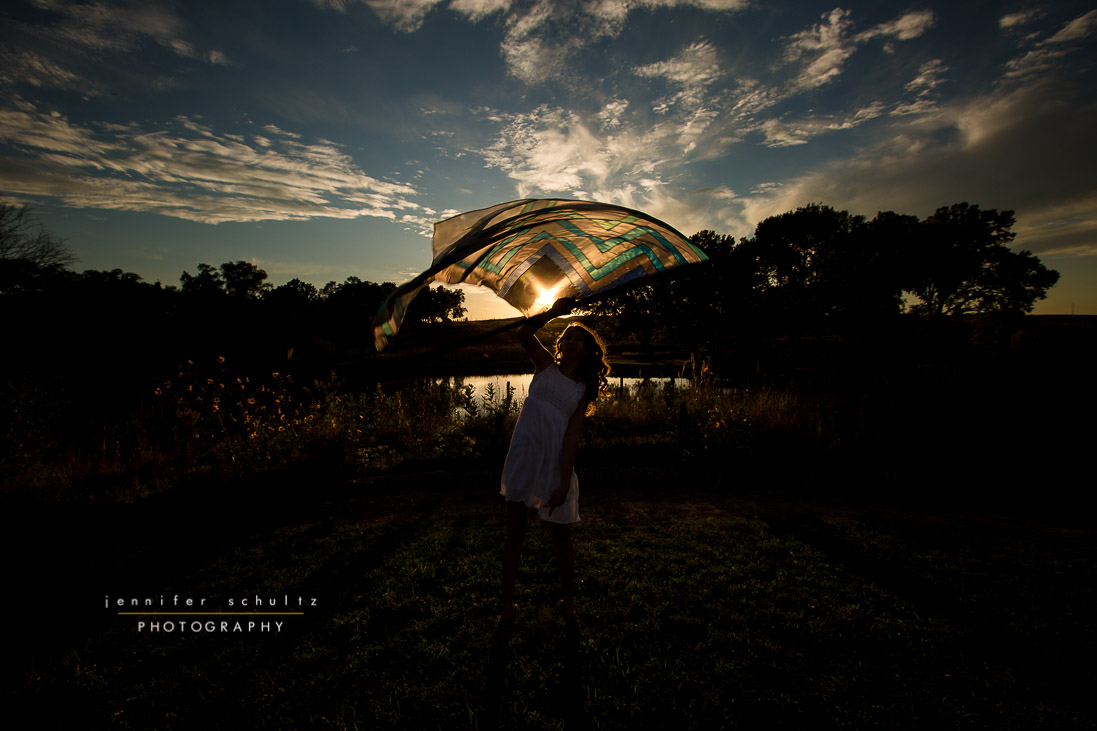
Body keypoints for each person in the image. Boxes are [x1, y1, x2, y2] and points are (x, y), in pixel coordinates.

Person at [499, 298, 609, 628]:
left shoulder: (583, 388)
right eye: (568, 335)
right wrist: (553, 312)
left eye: (580, 337)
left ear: (588, 349)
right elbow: (523, 333)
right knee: (515, 532)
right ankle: (506, 605)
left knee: (560, 537)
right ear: (560, 344)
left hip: (554, 462)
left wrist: (563, 480)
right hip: (524, 455)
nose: (572, 339)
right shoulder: (545, 366)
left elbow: (573, 434)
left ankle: (569, 604)